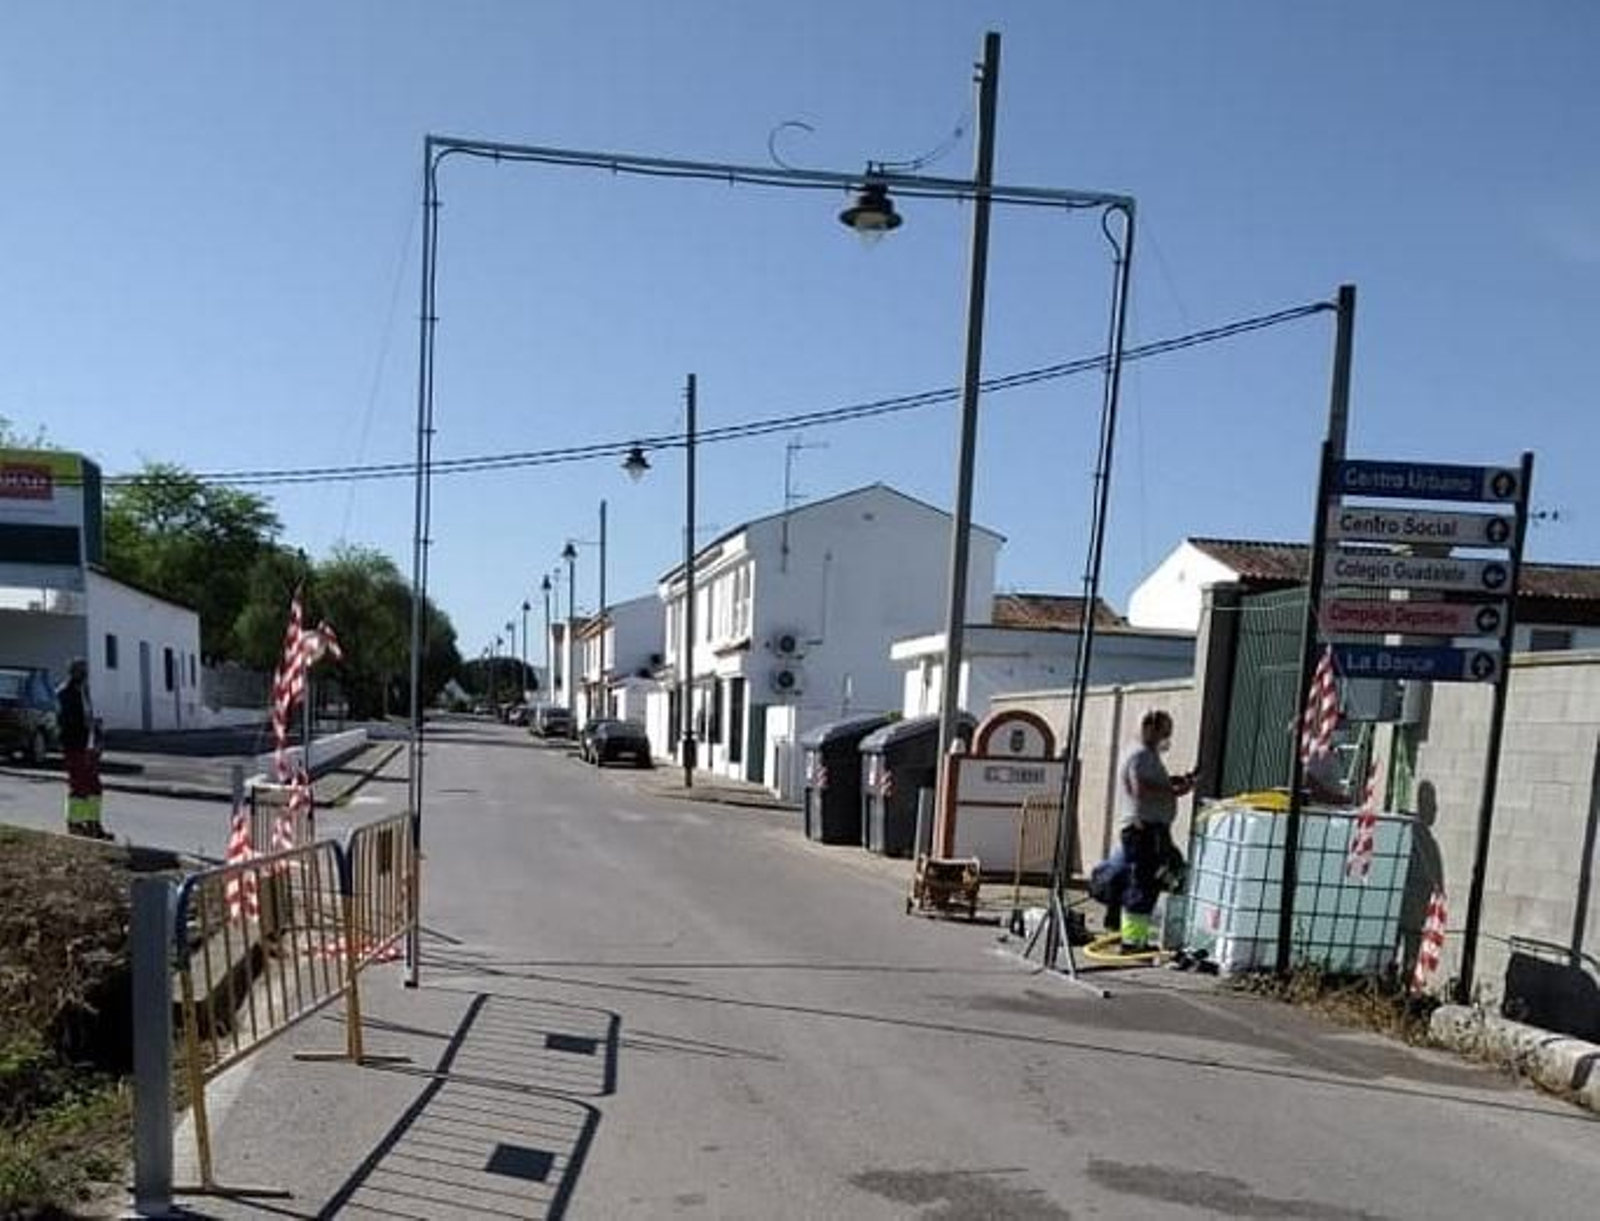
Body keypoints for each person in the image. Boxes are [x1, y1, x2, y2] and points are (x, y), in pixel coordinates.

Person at [1112, 709, 1194, 953]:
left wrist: (1174, 784)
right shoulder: (1141, 755)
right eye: (1164, 733)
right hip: (1144, 829)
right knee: (1146, 881)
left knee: (1161, 874)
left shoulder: (1140, 753)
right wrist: (1172, 789)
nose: (1166, 739)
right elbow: (1141, 788)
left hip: (1149, 828)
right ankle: (1133, 942)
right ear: (1151, 729)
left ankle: (1138, 937)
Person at [56, 659, 109, 841]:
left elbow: (88, 716)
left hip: (89, 746)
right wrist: (84, 730)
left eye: (85, 670)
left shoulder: (84, 691)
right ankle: (75, 823)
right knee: (79, 786)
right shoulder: (64, 693)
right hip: (75, 746)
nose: (85, 674)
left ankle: (93, 823)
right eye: (81, 671)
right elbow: (66, 723)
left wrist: (97, 732)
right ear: (73, 672)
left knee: (95, 787)